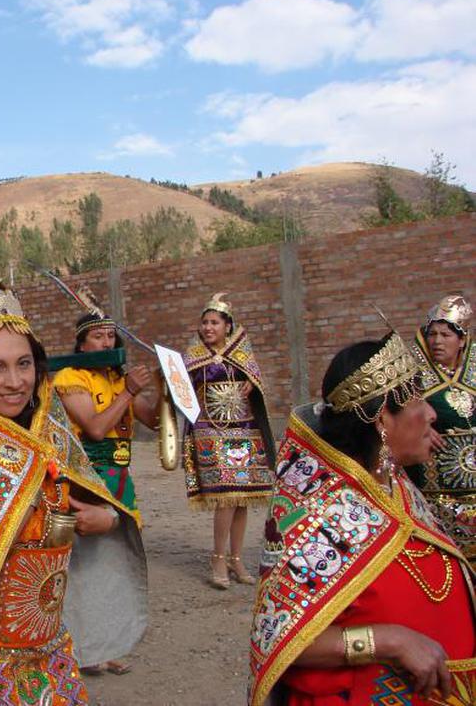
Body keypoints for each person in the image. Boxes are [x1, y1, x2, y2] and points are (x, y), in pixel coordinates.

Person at [0, 262, 130, 706]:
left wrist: (105, 517)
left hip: (51, 652)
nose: (15, 382)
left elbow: (96, 506)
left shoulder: (47, 434)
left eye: (24, 365)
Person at [249, 332, 475, 706]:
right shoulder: (324, 513)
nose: (432, 413)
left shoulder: (397, 489)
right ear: (383, 417)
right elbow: (278, 635)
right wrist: (389, 641)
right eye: (418, 399)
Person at [53, 311, 157, 676]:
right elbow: (96, 429)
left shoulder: (116, 377)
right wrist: (128, 390)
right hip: (87, 478)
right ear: (81, 344)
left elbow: (153, 419)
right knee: (82, 563)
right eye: (98, 336)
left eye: (111, 336)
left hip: (119, 478)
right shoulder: (70, 377)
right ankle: (80, 646)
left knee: (114, 561)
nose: (106, 343)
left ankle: (108, 642)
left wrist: (169, 389)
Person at [182, 293, 275, 589]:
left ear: (227, 326)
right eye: (205, 322)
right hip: (211, 429)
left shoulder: (242, 354)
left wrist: (253, 383)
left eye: (214, 322)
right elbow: (179, 389)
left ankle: (236, 558)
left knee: (242, 496)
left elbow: (258, 381)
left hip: (244, 428)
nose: (208, 327)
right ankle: (218, 557)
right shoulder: (192, 356)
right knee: (226, 494)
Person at [407, 295, 475, 564]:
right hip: (434, 495)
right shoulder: (412, 377)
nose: (436, 341)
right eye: (432, 334)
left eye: (445, 335)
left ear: (461, 339)